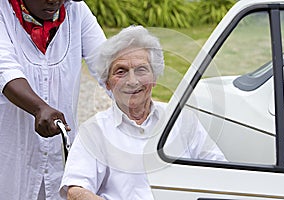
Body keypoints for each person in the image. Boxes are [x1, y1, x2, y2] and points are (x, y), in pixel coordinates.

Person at [59, 25, 226, 200]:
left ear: (154, 78)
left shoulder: (182, 120)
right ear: (107, 83)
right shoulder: (94, 131)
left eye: (141, 70)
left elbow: (220, 170)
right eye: (121, 71)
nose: (132, 81)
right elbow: (76, 191)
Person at [0, 0, 106, 199]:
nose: (54, 1)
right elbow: (5, 69)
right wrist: (39, 108)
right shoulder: (3, 11)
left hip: (60, 164)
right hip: (10, 163)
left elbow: (106, 63)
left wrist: (134, 95)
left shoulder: (77, 11)